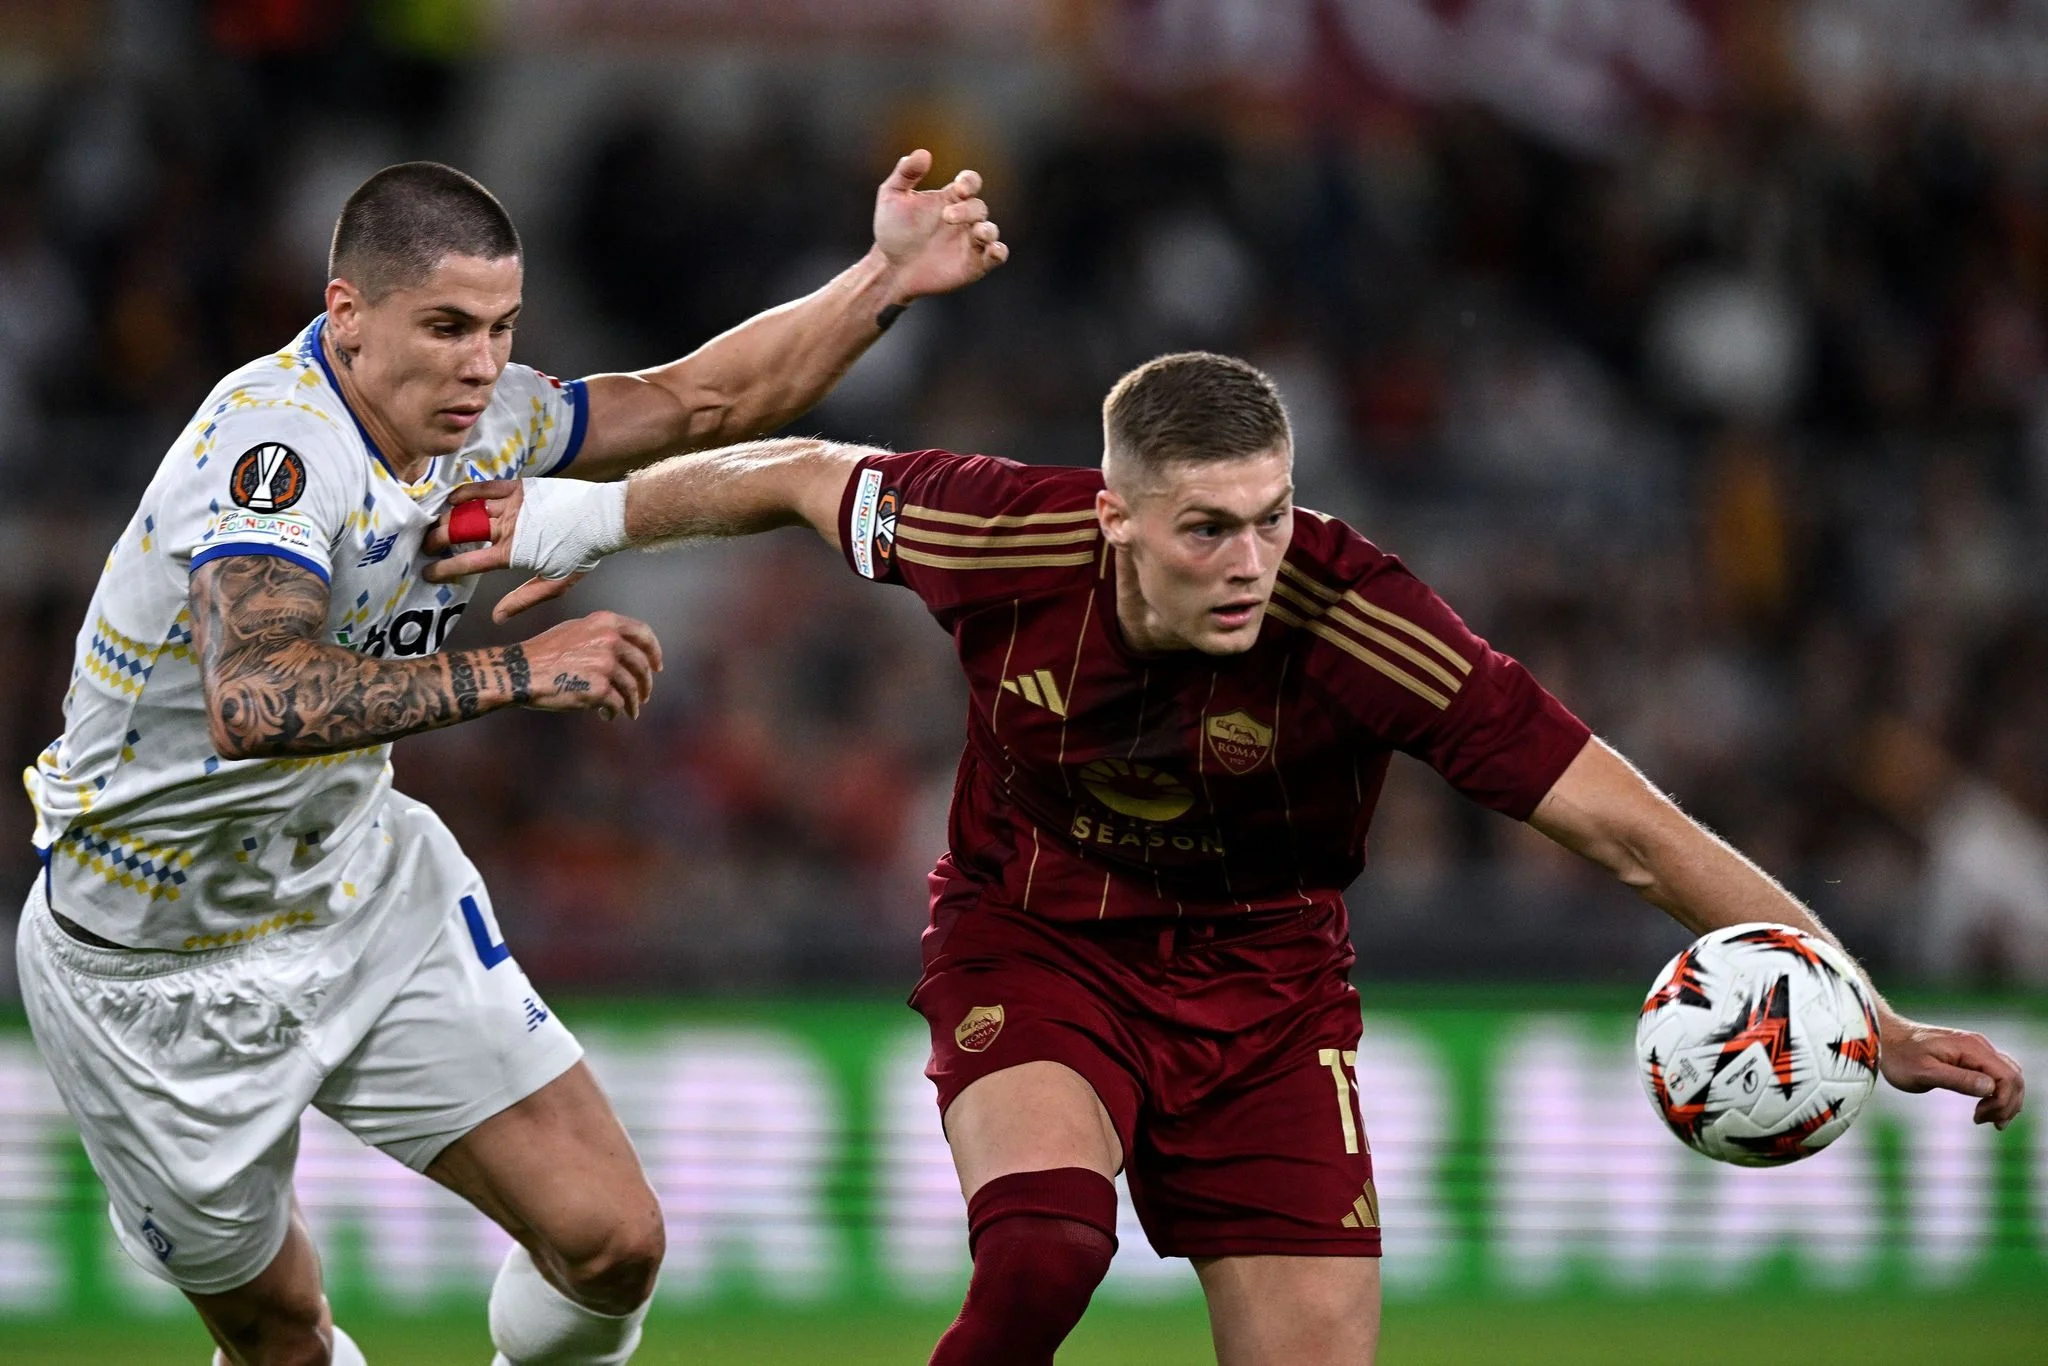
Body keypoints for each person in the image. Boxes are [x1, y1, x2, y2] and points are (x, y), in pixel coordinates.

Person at [432, 351, 2027, 1366]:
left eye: (1271, 516)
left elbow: (1631, 828)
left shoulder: (1367, 624)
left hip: (1267, 990)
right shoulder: (1000, 533)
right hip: (1035, 939)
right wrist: (583, 524)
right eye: (1207, 527)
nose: (1251, 559)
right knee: (1046, 1249)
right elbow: (792, 472)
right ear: (1115, 519)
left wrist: (1868, 1015)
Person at [18, 153, 1005, 1366]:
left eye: (501, 328)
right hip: (150, 960)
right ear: (346, 315)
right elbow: (255, 697)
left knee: (611, 1242)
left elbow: (702, 401)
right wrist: (523, 670)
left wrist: (882, 277)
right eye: (445, 327)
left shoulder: (487, 419)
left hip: (352, 886)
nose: (481, 364)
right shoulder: (275, 448)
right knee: (281, 1336)